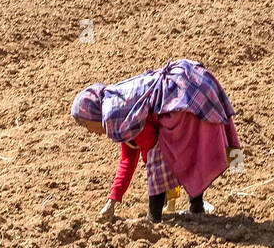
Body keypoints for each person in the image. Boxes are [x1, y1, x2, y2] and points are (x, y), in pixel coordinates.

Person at [71, 58, 241, 222]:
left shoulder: (114, 118)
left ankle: (155, 217)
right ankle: (196, 208)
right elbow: (128, 159)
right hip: (189, 86)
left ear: (93, 116)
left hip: (182, 98)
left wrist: (163, 181)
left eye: (86, 125)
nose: (91, 132)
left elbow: (150, 143)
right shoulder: (121, 115)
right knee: (187, 154)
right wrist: (113, 200)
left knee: (158, 158)